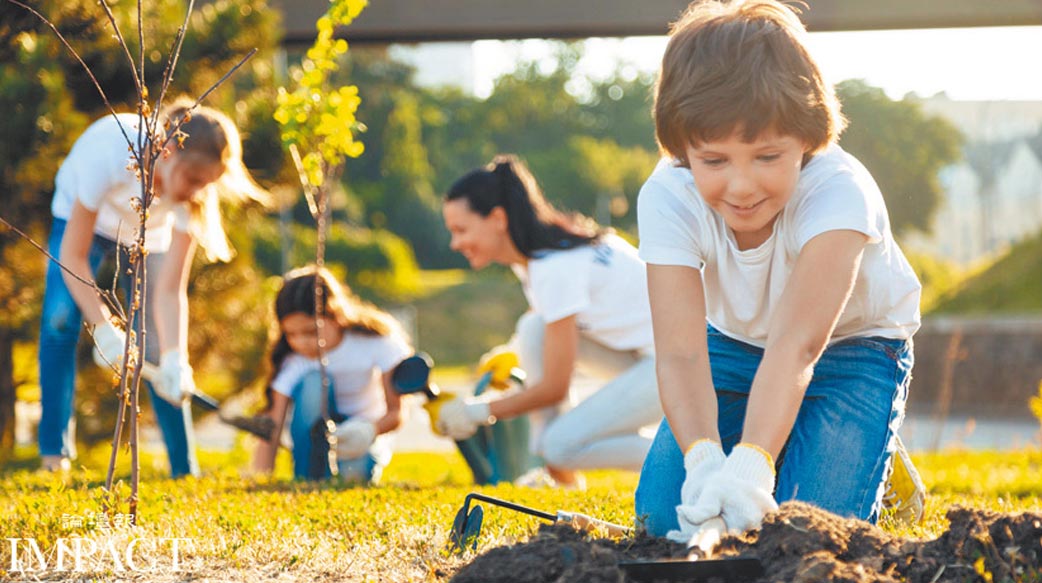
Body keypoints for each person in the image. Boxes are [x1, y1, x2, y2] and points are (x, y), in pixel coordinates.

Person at [633, 0, 923, 540]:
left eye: (767, 157)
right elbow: (680, 351)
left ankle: (873, 455)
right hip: (733, 346)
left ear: (807, 140)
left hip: (853, 348)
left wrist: (749, 465)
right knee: (659, 521)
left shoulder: (839, 191)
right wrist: (703, 462)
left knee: (803, 534)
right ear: (681, 150)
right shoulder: (667, 195)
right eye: (714, 161)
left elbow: (796, 347)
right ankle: (782, 435)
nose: (741, 187)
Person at [38, 100, 267, 475]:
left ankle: (183, 469)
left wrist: (178, 358)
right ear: (167, 149)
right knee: (60, 321)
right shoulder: (110, 152)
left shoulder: (189, 199)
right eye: (194, 180)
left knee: (158, 347)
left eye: (206, 185)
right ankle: (54, 457)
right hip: (84, 224)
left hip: (144, 235)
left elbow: (168, 292)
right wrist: (102, 325)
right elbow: (72, 257)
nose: (197, 193)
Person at [438, 155, 664, 489]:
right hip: (648, 357)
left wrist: (479, 411)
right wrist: (511, 352)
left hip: (681, 366)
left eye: (461, 230)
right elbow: (547, 332)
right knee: (532, 329)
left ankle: (694, 465)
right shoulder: (542, 257)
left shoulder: (553, 268)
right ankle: (562, 478)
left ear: (498, 218)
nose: (455, 243)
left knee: (559, 446)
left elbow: (554, 388)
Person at [252, 266, 411, 483]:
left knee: (353, 475)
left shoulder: (375, 341)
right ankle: (310, 476)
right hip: (311, 442)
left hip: (360, 438)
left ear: (336, 314)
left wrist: (368, 430)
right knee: (314, 381)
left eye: (310, 332)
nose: (301, 342)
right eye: (291, 334)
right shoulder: (292, 360)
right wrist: (261, 479)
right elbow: (271, 426)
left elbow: (397, 412)